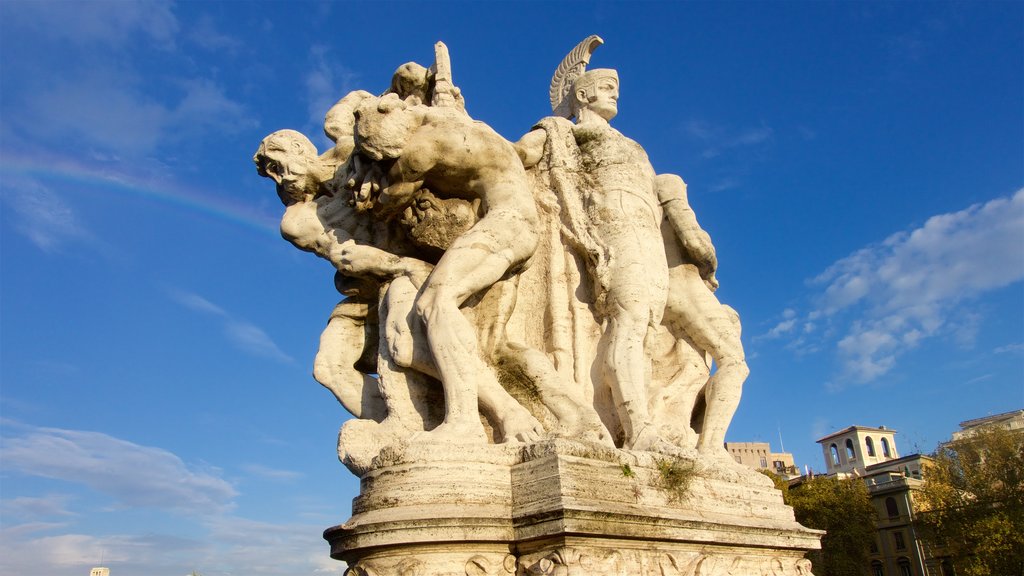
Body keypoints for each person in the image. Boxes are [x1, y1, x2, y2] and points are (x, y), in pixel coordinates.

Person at [344, 93, 542, 443]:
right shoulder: (461, 125)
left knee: (435, 302)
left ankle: (464, 424)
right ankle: (481, 414)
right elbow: (528, 151)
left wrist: (364, 174)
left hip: (508, 223)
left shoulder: (421, 148)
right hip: (513, 220)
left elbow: (384, 204)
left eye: (381, 153)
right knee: (433, 305)